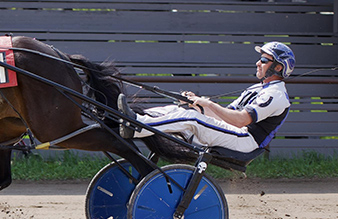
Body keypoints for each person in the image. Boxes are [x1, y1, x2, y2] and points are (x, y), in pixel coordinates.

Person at [118, 42, 294, 154]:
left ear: (278, 68)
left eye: (264, 60)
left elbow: (241, 120)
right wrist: (197, 104)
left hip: (246, 141)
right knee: (179, 110)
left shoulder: (276, 95)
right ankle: (134, 117)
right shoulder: (258, 88)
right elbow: (227, 115)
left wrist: (208, 104)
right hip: (234, 132)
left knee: (191, 119)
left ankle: (136, 127)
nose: (258, 63)